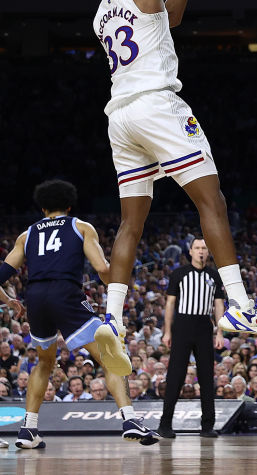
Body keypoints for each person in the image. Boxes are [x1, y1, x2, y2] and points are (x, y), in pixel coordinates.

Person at [91, 0, 257, 370]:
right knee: (212, 200)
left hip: (120, 118)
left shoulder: (106, 11)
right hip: (157, 105)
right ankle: (242, 305)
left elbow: (169, 18)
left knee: (132, 223)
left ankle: (112, 316)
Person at [0, 180, 158, 448]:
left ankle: (28, 429)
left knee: (44, 363)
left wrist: (8, 299)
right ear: (70, 205)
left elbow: (2, 274)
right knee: (110, 357)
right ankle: (129, 419)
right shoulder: (80, 226)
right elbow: (101, 267)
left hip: (35, 298)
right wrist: (119, 288)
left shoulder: (25, 236)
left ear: (42, 207)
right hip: (67, 295)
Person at [158, 237, 225, 439]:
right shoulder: (179, 274)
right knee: (175, 376)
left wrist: (220, 332)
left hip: (205, 326)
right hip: (183, 325)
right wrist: (167, 331)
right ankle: (165, 424)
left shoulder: (214, 276)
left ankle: (207, 426)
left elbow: (219, 305)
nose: (201, 251)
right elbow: (170, 304)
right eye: (197, 248)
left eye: (204, 248)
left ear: (208, 251)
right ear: (190, 251)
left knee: (206, 376)